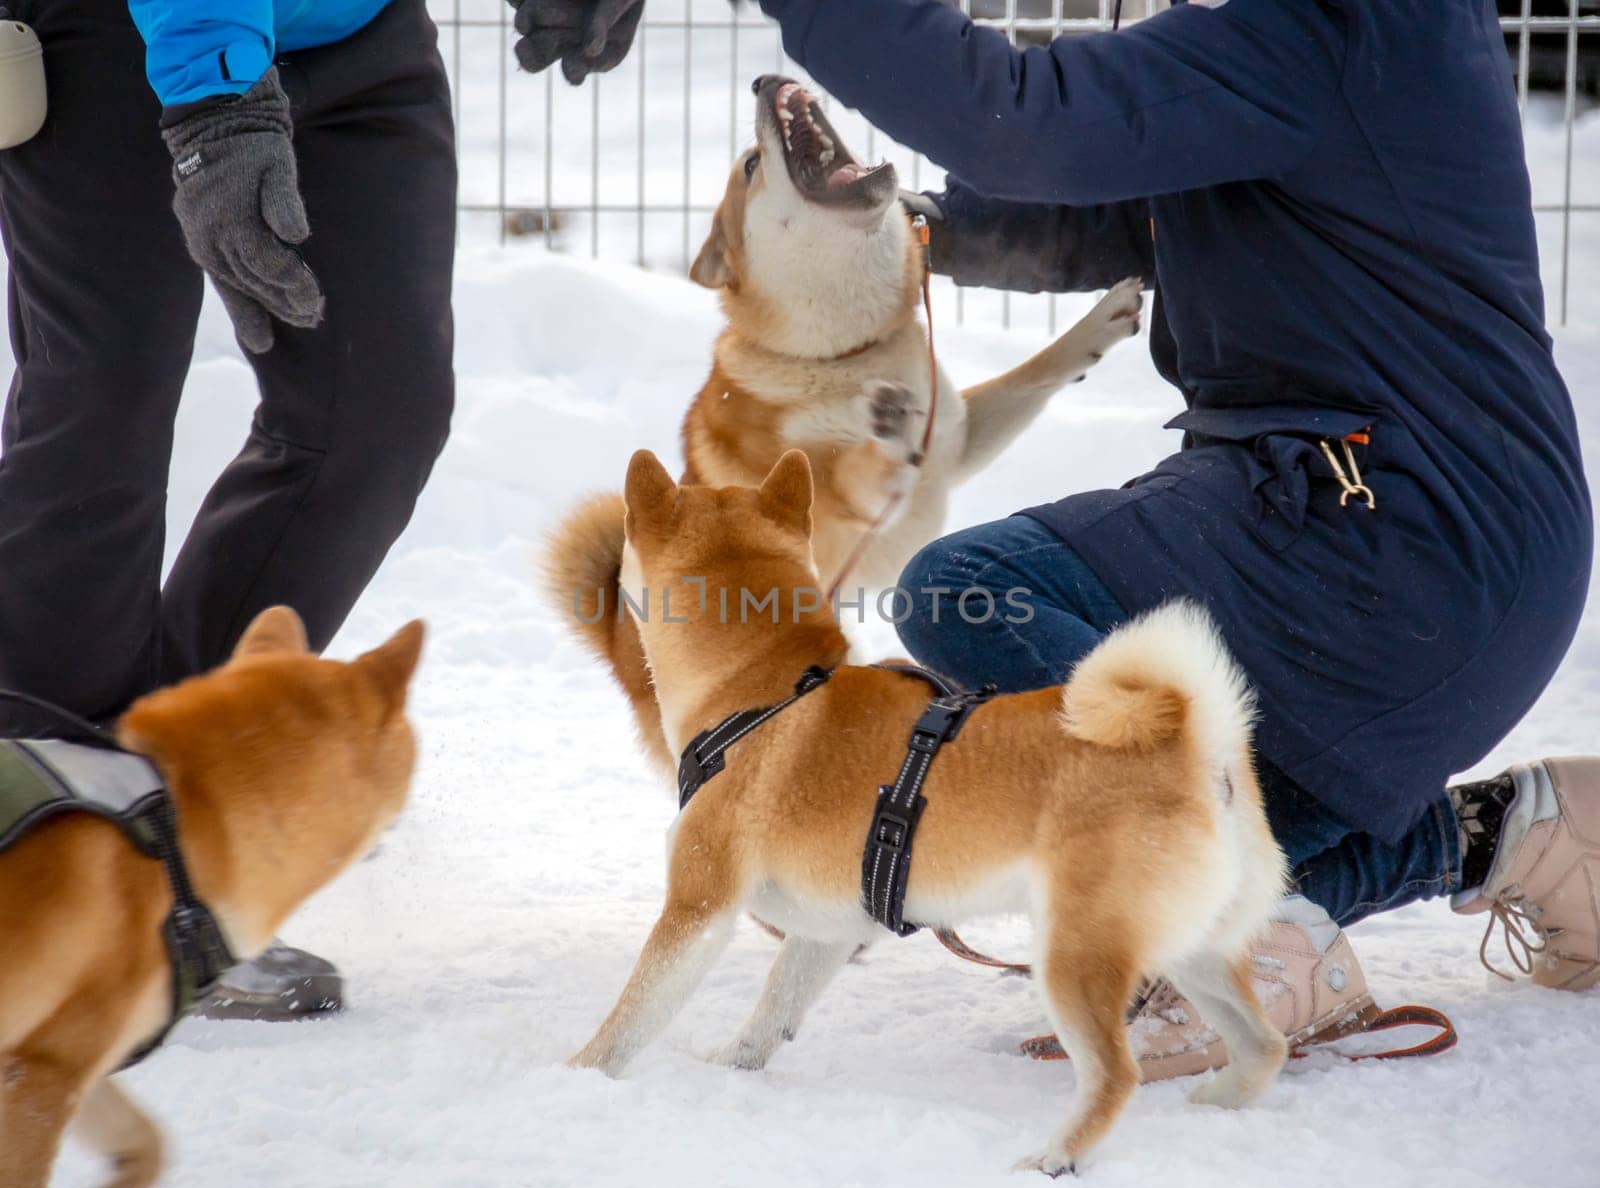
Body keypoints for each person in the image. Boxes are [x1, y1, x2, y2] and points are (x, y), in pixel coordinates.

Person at [517, 0, 1596, 1061]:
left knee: (970, 595)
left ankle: (1247, 939)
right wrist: (914, 230)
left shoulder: (1331, 24)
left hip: (1400, 532)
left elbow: (1026, 119)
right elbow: (1124, 210)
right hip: (1430, 538)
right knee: (1140, 798)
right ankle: (1518, 833)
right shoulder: (1339, 39)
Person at [0, 0, 456, 1018]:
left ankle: (159, 813)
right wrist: (215, 92)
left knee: (374, 413)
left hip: (352, 27)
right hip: (116, 34)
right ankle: (51, 862)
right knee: (98, 415)